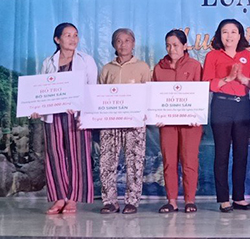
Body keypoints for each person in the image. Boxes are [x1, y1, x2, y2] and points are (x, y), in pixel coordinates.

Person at [33, 23, 97, 215]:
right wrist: (37, 109)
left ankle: (73, 199)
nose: (73, 39)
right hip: (53, 116)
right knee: (54, 155)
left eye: (75, 35)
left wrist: (85, 113)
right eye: (68, 35)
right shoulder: (48, 62)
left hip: (76, 116)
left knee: (79, 156)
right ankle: (59, 198)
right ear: (57, 39)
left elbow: (92, 89)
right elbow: (42, 90)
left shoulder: (86, 61)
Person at [202, 19, 250, 213]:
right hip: (221, 105)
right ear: (219, 35)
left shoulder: (248, 55)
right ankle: (224, 199)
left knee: (242, 153)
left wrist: (242, 79)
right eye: (225, 32)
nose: (229, 36)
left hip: (242, 106)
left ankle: (239, 197)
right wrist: (228, 79)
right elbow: (207, 84)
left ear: (240, 35)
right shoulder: (212, 56)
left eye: (234, 32)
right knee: (222, 153)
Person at [98, 28, 151, 214]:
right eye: (119, 41)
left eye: (127, 40)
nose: (123, 44)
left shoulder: (143, 67)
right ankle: (110, 201)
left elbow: (148, 94)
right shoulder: (107, 68)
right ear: (113, 44)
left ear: (133, 43)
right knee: (107, 162)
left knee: (135, 162)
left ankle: (132, 201)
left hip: (134, 123)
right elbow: (99, 95)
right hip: (110, 122)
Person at [152, 29, 204, 214]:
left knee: (189, 161)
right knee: (169, 161)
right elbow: (154, 97)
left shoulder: (195, 66)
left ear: (185, 46)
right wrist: (156, 115)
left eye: (175, 45)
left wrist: (197, 115)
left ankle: (190, 200)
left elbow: (200, 94)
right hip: (167, 123)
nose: (171, 49)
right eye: (168, 45)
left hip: (191, 124)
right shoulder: (158, 68)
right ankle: (172, 201)